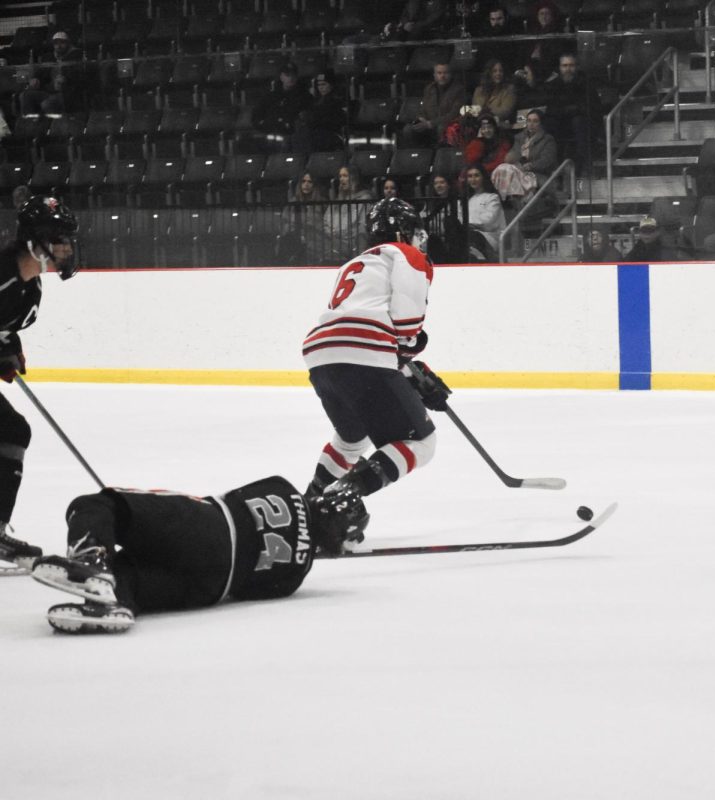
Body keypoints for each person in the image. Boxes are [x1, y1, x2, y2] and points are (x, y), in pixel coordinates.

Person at [26, 475, 365, 633]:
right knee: (131, 575)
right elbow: (249, 591)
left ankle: (90, 561)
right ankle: (112, 601)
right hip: (210, 586)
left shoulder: (282, 487)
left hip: (207, 526)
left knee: (99, 505)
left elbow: (234, 496)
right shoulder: (295, 577)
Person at [301, 197, 449, 548]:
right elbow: (406, 325)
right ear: (403, 231)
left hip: (319, 351)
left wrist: (410, 372)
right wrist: (411, 360)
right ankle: (340, 503)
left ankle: (307, 508)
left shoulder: (355, 262)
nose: (419, 239)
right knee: (421, 442)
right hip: (362, 347)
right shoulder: (407, 254)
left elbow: (376, 328)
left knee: (351, 439)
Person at [0, 196, 79, 572]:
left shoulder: (30, 290)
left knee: (13, 430)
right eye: (58, 237)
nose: (65, 246)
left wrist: (7, 347)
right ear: (33, 239)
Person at [491, 108, 558, 207]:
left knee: (513, 175)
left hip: (538, 173)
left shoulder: (548, 140)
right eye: (529, 121)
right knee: (503, 168)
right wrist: (511, 157)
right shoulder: (519, 138)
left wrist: (531, 165)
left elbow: (547, 160)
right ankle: (508, 200)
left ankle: (520, 203)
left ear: (541, 123)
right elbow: (514, 154)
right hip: (519, 170)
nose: (531, 124)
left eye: (535, 121)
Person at [400, 62, 467, 148]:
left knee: (441, 128)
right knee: (408, 129)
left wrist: (430, 123)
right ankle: (418, 157)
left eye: (445, 73)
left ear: (451, 74)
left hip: (445, 124)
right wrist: (421, 118)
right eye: (439, 73)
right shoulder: (429, 88)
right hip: (429, 124)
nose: (442, 76)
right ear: (434, 75)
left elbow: (454, 114)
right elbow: (423, 109)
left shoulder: (459, 90)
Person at [251, 63, 314, 152]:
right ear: (281, 77)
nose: (291, 78)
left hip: (294, 137)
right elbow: (257, 115)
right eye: (287, 75)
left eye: (293, 75)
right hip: (271, 134)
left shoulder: (305, 97)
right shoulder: (270, 97)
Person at [324, 165, 375, 261]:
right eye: (340, 176)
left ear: (353, 178)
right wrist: (332, 233)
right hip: (335, 243)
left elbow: (362, 227)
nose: (342, 179)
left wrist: (342, 234)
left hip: (354, 244)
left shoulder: (364, 199)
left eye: (345, 176)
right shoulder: (337, 201)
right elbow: (326, 221)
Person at [277, 172, 327, 265]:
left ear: (314, 185)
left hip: (316, 243)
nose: (306, 184)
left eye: (309, 182)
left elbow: (326, 224)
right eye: (303, 181)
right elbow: (284, 223)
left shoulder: (322, 203)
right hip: (294, 243)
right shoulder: (292, 202)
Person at [292, 73, 348, 155]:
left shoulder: (337, 101)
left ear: (331, 85)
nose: (321, 87)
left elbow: (336, 120)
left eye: (324, 84)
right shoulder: (315, 101)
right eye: (319, 85)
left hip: (329, 133)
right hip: (315, 132)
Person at [459, 164, 504, 261]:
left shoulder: (492, 197)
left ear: (483, 177)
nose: (473, 179)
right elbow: (459, 218)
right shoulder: (466, 200)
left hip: (488, 237)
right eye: (470, 176)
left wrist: (467, 224)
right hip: (468, 235)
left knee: (471, 235)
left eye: (476, 175)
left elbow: (488, 221)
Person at [471, 60, 518, 128]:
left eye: (500, 71)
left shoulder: (509, 89)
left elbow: (505, 111)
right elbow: (474, 111)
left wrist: (485, 111)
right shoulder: (478, 90)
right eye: (494, 71)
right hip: (480, 126)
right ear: (489, 73)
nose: (498, 73)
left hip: (499, 127)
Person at [462, 112, 512, 178]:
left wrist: (482, 168)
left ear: (495, 128)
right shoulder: (476, 142)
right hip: (480, 175)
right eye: (483, 128)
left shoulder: (502, 140)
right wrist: (479, 141)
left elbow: (501, 162)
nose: (487, 130)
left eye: (489, 127)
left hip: (497, 174)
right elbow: (470, 160)